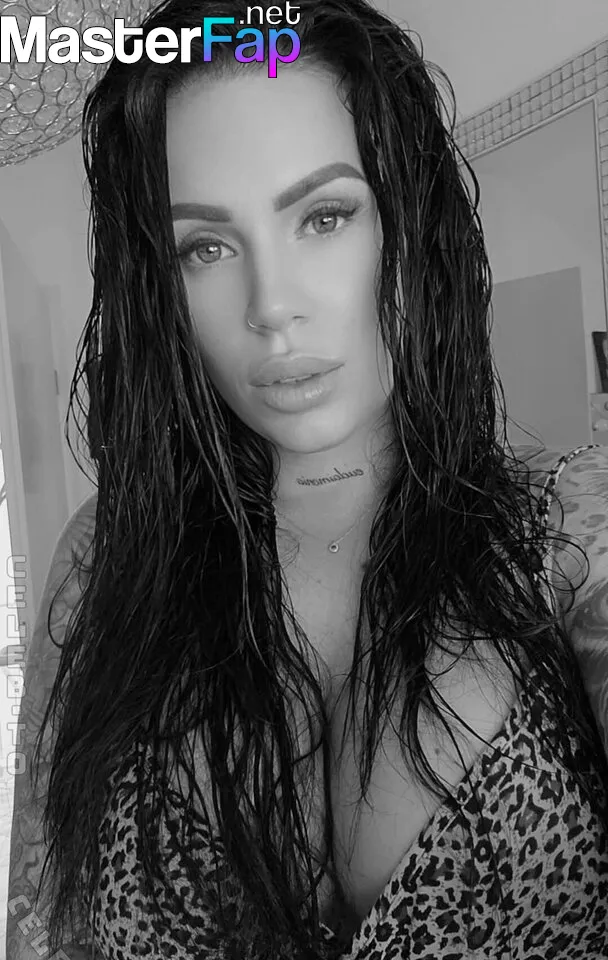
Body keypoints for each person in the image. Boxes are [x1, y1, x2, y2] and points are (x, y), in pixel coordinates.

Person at [7, 1, 608, 958]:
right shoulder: (103, 558)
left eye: (324, 216)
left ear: (408, 221)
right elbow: (44, 923)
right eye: (206, 247)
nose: (271, 306)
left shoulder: (571, 529)